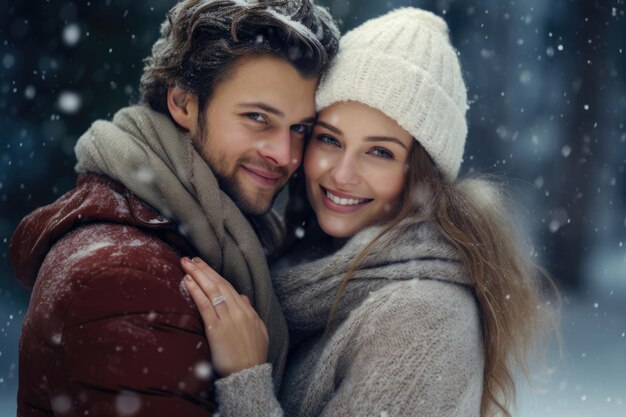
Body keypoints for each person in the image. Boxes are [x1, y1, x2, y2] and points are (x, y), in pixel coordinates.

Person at [180, 7, 557, 417]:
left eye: (380, 152)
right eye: (329, 139)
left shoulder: (423, 318)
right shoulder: (299, 263)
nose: (342, 174)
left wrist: (247, 383)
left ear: (422, 176)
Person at [9, 1, 339, 416]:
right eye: (257, 117)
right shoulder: (124, 278)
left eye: (300, 129)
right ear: (183, 103)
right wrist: (248, 387)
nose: (283, 154)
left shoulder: (211, 242)